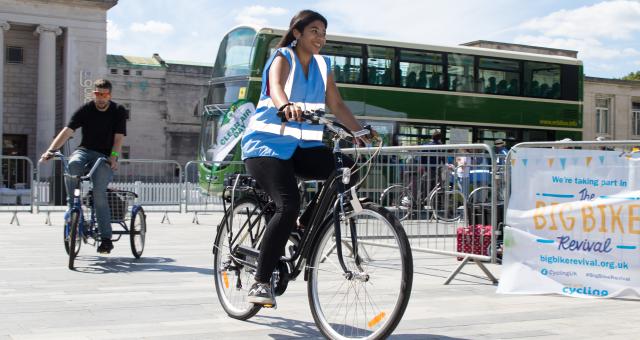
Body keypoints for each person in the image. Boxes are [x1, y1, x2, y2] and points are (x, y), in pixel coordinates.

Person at [240, 10, 373, 306]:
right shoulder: (282, 57)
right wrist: (284, 104)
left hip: (301, 149)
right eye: (314, 31)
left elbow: (336, 104)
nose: (320, 38)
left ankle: (304, 224)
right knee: (287, 205)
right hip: (265, 146)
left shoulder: (324, 65)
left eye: (323, 33)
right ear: (297, 33)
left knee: (345, 169)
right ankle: (260, 282)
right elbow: (275, 87)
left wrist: (360, 131)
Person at [40, 79, 127, 254]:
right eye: (97, 94)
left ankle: (106, 239)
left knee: (98, 193)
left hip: (104, 156)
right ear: (93, 94)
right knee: (72, 163)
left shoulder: (118, 111)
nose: (101, 98)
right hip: (85, 150)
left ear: (109, 95)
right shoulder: (86, 109)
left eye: (104, 94)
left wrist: (114, 157)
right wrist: (50, 151)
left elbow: (118, 138)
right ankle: (72, 206)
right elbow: (67, 131)